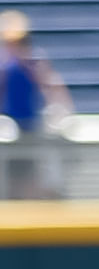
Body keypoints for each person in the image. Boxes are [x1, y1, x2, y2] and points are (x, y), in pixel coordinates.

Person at [0, 11, 70, 200]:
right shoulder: (6, 65)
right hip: (10, 128)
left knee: (31, 172)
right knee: (13, 173)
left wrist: (60, 110)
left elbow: (52, 86)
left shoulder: (33, 62)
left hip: (31, 125)